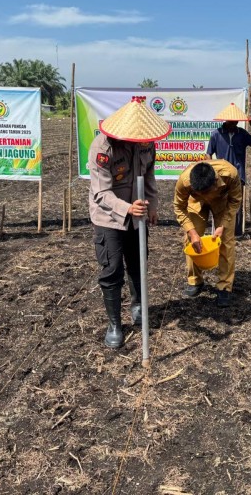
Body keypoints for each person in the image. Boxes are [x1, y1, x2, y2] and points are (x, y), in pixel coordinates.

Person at [90, 96, 170, 349]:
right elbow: (101, 193)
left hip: (138, 217)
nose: (140, 141)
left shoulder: (147, 145)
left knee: (138, 264)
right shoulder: (103, 148)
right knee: (112, 270)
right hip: (109, 218)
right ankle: (114, 324)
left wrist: (153, 205)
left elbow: (148, 176)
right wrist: (127, 208)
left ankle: (137, 306)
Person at [174, 159, 242, 307]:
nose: (204, 194)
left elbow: (235, 200)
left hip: (222, 203)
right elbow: (179, 207)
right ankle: (195, 280)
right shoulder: (184, 181)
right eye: (199, 190)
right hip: (196, 203)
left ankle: (224, 286)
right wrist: (192, 232)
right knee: (191, 239)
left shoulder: (230, 174)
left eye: (206, 191)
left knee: (225, 241)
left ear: (215, 182)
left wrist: (223, 225)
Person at [207, 102, 251, 236]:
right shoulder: (216, 134)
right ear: (226, 120)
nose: (234, 122)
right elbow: (208, 154)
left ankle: (235, 232)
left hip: (238, 174)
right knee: (220, 203)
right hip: (221, 175)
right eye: (232, 120)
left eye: (236, 120)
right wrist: (212, 170)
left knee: (236, 203)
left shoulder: (241, 134)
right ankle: (220, 230)